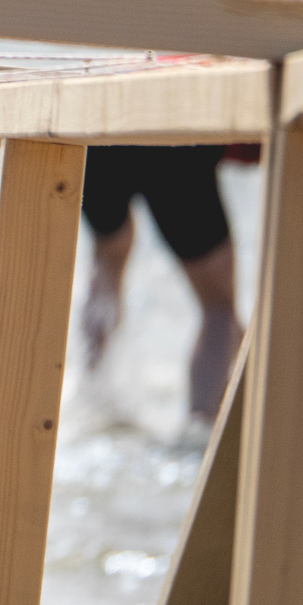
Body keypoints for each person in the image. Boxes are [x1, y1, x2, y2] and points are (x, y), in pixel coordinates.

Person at [78, 145, 244, 422]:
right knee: (218, 306)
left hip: (97, 144)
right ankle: (202, 430)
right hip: (171, 149)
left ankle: (92, 396)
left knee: (107, 258)